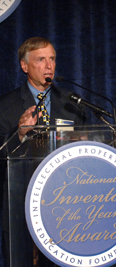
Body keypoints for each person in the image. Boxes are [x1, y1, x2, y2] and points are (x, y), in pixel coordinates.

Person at [0, 37, 86, 267]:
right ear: (24, 66)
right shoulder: (5, 107)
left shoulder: (71, 103)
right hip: (21, 202)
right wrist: (19, 134)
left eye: (52, 59)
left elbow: (86, 144)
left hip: (66, 203)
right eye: (41, 60)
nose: (49, 66)